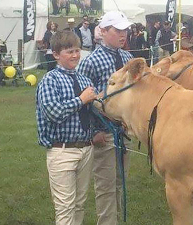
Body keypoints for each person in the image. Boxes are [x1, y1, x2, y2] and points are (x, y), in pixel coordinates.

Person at [77, 11, 133, 225]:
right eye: (117, 30)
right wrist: (94, 131)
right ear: (103, 31)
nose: (123, 34)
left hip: (124, 131)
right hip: (104, 132)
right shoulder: (91, 61)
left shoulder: (128, 58)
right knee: (106, 187)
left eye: (125, 30)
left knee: (120, 183)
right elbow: (83, 100)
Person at [36, 30, 97, 225]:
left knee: (80, 204)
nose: (75, 55)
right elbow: (54, 113)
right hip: (61, 151)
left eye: (77, 50)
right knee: (65, 207)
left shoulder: (85, 80)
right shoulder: (49, 80)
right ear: (56, 54)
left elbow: (92, 113)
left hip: (86, 149)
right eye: (69, 51)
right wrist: (81, 99)